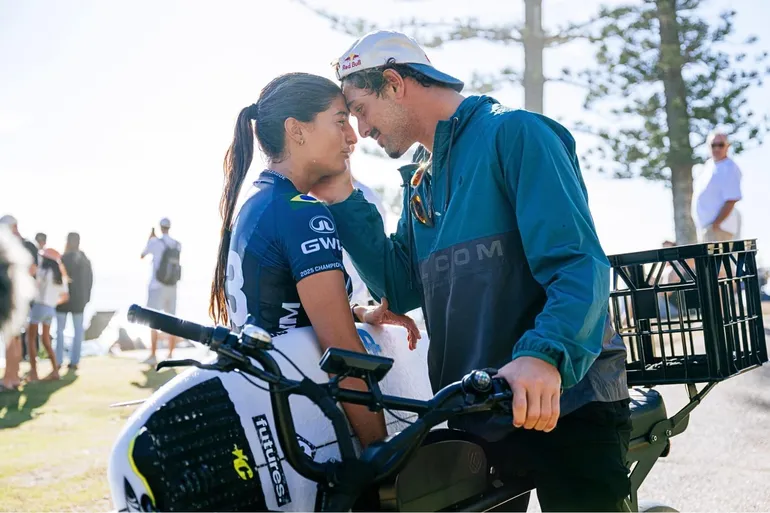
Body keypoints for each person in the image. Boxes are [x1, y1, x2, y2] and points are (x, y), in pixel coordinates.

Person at [310, 30, 630, 511]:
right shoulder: (423, 178)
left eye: (360, 109)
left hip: (567, 399)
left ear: (394, 83)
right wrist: (341, 196)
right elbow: (400, 285)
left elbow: (578, 265)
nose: (360, 130)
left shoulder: (516, 133)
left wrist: (544, 356)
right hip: (480, 410)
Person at [208, 72, 420, 448]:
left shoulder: (260, 201)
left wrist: (356, 313)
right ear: (297, 130)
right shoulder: (302, 212)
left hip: (269, 411)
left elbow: (278, 310)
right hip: (304, 423)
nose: (353, 137)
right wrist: (381, 456)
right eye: (340, 121)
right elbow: (341, 352)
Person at [0, 215, 39, 388]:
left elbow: (32, 270)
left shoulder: (23, 245)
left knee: (11, 338)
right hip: (19, 298)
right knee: (14, 338)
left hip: (19, 300)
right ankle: (13, 376)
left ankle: (10, 378)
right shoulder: (25, 245)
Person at [140, 218, 181, 365]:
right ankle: (170, 353)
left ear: (160, 227)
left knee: (153, 320)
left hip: (156, 286)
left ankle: (153, 354)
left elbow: (142, 255)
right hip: (172, 286)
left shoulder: (154, 242)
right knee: (172, 320)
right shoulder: (177, 244)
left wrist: (150, 238)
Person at [26, 248, 69, 381]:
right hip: (51, 309)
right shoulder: (60, 276)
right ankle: (55, 371)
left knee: (30, 339)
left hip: (39, 306)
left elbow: (31, 281)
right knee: (46, 341)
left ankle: (34, 372)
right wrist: (53, 302)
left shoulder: (42, 272)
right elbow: (65, 296)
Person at [692, 130, 743, 242]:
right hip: (706, 229)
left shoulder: (729, 167)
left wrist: (716, 224)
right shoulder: (709, 165)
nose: (717, 148)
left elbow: (732, 199)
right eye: (713, 145)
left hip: (719, 230)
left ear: (727, 146)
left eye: (720, 145)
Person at [345, 175, 388, 306]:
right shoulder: (313, 194)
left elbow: (377, 253)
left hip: (361, 302)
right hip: (343, 298)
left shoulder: (368, 197)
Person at [55, 232, 93, 371]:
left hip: (64, 300)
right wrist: (86, 298)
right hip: (78, 300)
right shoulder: (84, 259)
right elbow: (90, 281)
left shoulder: (63, 258)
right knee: (77, 331)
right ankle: (74, 361)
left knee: (60, 331)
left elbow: (57, 280)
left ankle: (58, 361)